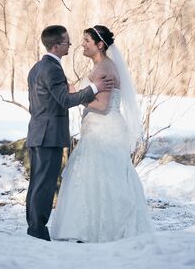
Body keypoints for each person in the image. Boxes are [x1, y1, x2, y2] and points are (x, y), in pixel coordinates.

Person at [50, 25, 153, 243]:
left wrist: (76, 95)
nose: (82, 45)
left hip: (103, 129)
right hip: (99, 128)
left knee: (103, 176)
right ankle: (89, 227)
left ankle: (104, 229)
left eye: (87, 41)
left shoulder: (104, 68)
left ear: (99, 45)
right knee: (94, 177)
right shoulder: (101, 65)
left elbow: (103, 106)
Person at [26, 25, 114, 241]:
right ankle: (38, 231)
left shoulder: (37, 67)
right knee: (44, 185)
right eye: (67, 42)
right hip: (49, 135)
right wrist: (94, 88)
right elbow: (64, 101)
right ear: (56, 46)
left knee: (36, 184)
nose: (71, 45)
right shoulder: (52, 69)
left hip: (39, 132)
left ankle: (34, 229)